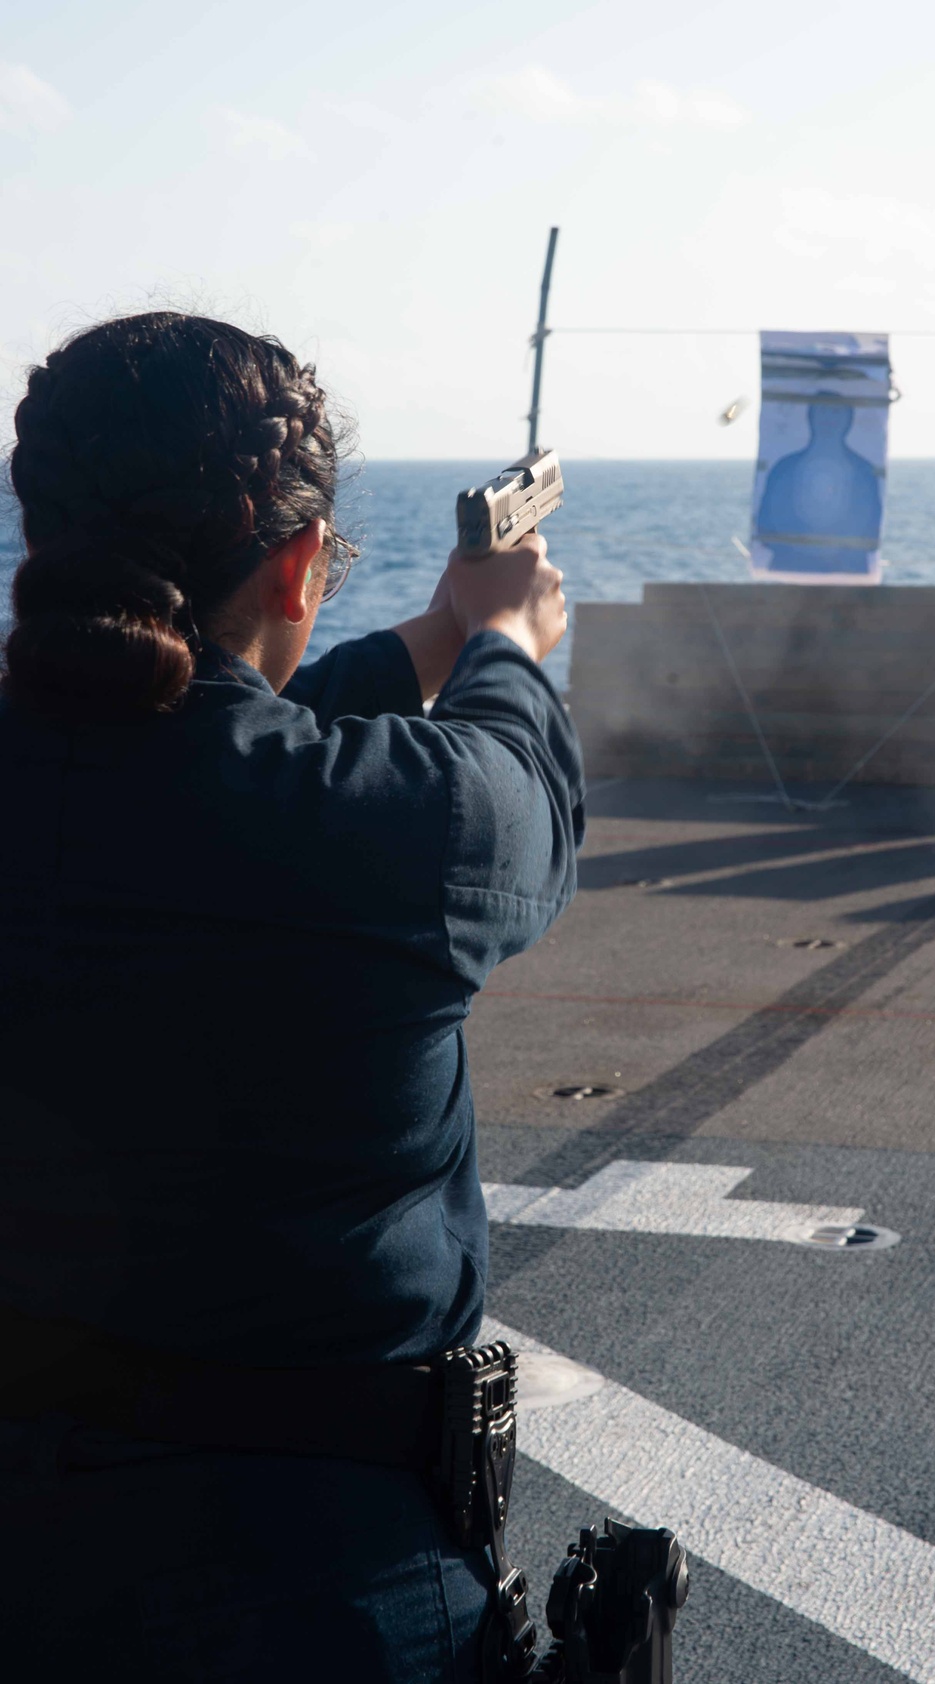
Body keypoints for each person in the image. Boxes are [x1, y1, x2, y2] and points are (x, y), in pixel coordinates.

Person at [0, 312, 584, 1681]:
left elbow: (186, 741)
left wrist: (441, 633)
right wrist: (502, 638)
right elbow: (524, 800)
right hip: (326, 1579)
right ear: (303, 560)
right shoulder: (387, 826)